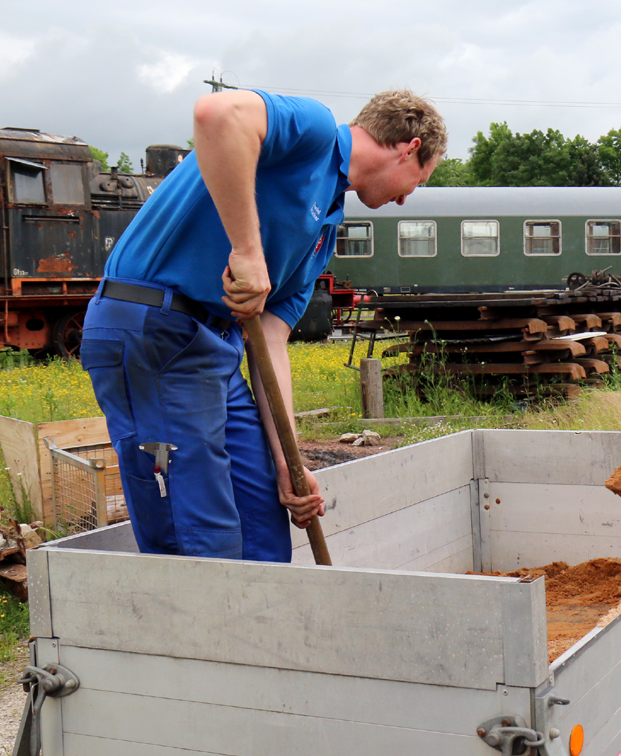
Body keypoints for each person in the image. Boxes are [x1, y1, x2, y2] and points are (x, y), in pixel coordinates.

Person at [80, 89, 445, 561]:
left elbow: (270, 341)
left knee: (261, 521)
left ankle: (272, 629)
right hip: (155, 326)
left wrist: (288, 463)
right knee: (199, 532)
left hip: (216, 347)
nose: (404, 199)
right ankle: (198, 628)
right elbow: (217, 114)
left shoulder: (323, 233)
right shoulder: (313, 133)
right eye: (420, 179)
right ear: (409, 147)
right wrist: (247, 251)